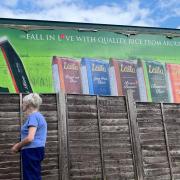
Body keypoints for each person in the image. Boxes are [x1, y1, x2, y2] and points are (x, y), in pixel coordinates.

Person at [11, 93, 47, 180]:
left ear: (28, 104)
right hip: (36, 150)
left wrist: (17, 146)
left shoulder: (33, 117)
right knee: (34, 176)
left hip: (31, 151)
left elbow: (30, 138)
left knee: (30, 177)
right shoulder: (39, 116)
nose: (22, 105)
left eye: (23, 102)